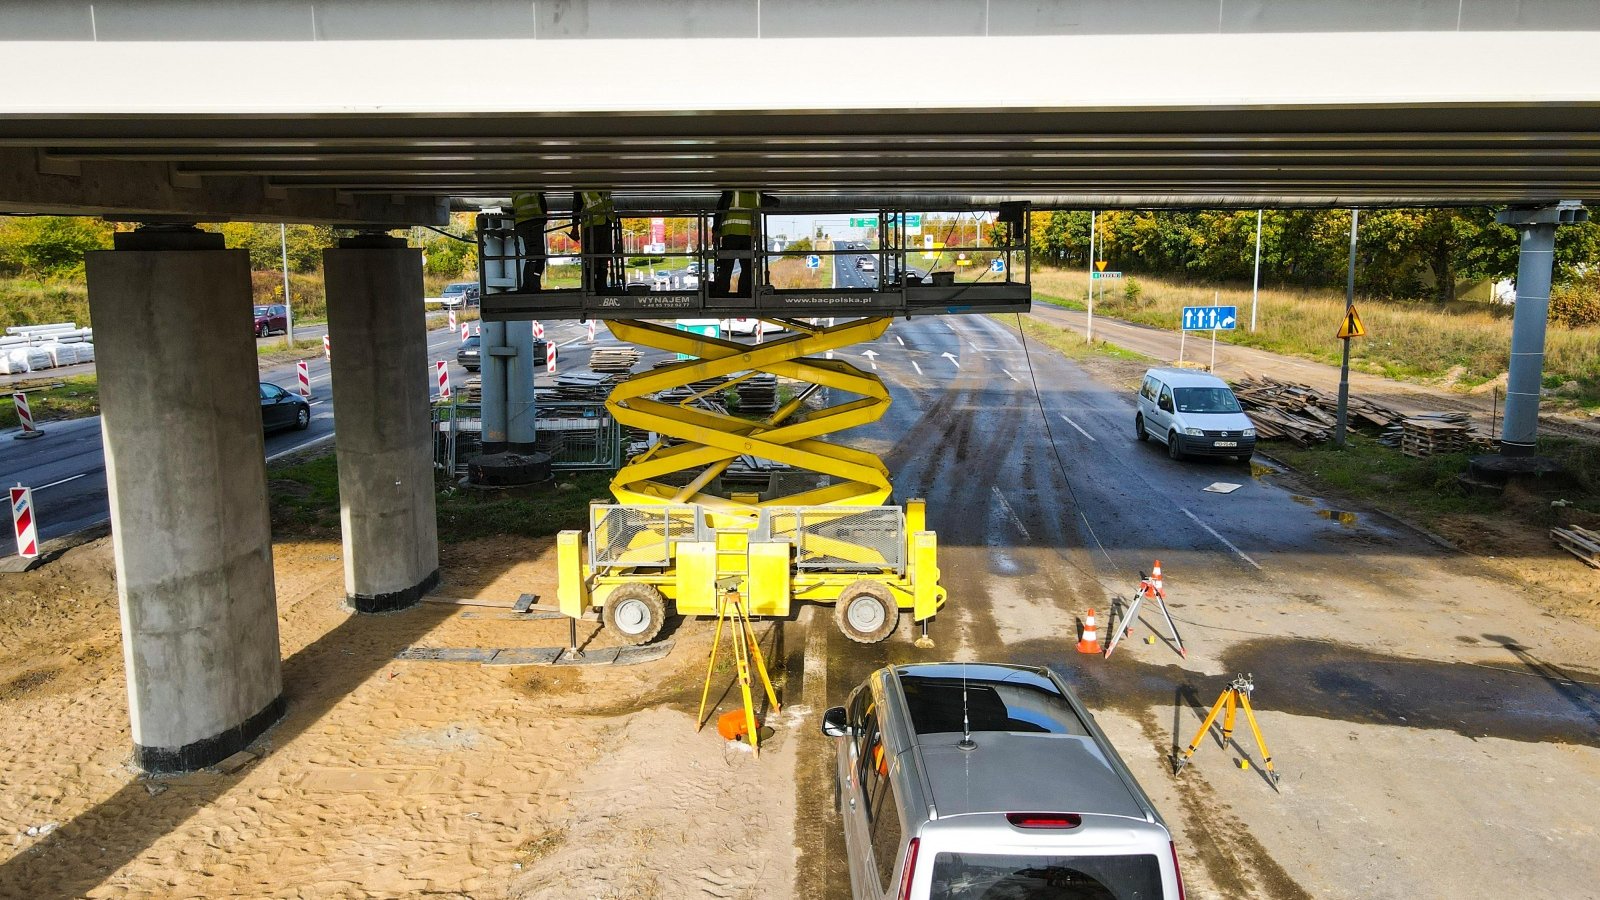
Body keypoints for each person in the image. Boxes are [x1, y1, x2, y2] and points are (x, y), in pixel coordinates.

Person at [711, 190, 767, 298]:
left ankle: (721, 293)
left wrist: (715, 231)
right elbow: (775, 202)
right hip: (748, 235)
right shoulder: (757, 195)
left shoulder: (731, 193)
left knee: (726, 266)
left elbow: (719, 212)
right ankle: (745, 293)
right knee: (747, 266)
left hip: (730, 234)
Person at [572, 190, 618, 293]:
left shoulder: (603, 182)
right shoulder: (582, 186)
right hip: (591, 225)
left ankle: (601, 285)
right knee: (592, 258)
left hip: (605, 222)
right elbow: (576, 206)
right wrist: (575, 226)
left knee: (603, 257)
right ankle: (591, 286)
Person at [510, 191, 548, 292]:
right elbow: (541, 200)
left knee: (531, 256)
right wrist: (544, 217)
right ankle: (534, 284)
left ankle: (528, 284)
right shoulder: (532, 180)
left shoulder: (515, 189)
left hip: (521, 223)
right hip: (534, 220)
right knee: (539, 257)